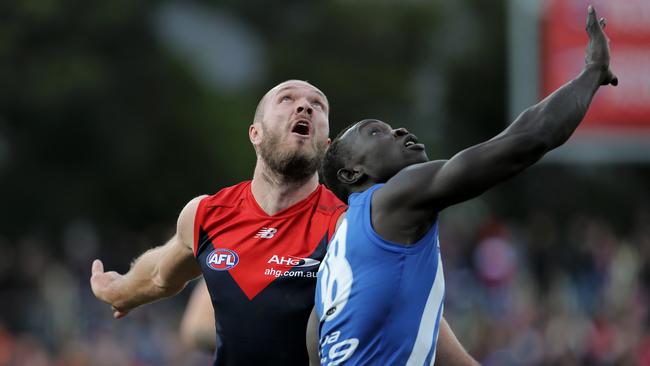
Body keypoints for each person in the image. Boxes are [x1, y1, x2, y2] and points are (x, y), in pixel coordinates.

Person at [90, 79, 477, 365]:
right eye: (287, 99)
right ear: (255, 134)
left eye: (317, 105)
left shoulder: (349, 224)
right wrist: (119, 292)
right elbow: (160, 275)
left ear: (327, 146)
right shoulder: (207, 213)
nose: (305, 108)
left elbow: (416, 323)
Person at [310, 6, 617, 365]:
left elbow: (319, 348)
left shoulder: (335, 254)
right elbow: (528, 139)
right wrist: (592, 71)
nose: (399, 131)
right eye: (376, 132)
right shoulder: (396, 197)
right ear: (351, 174)